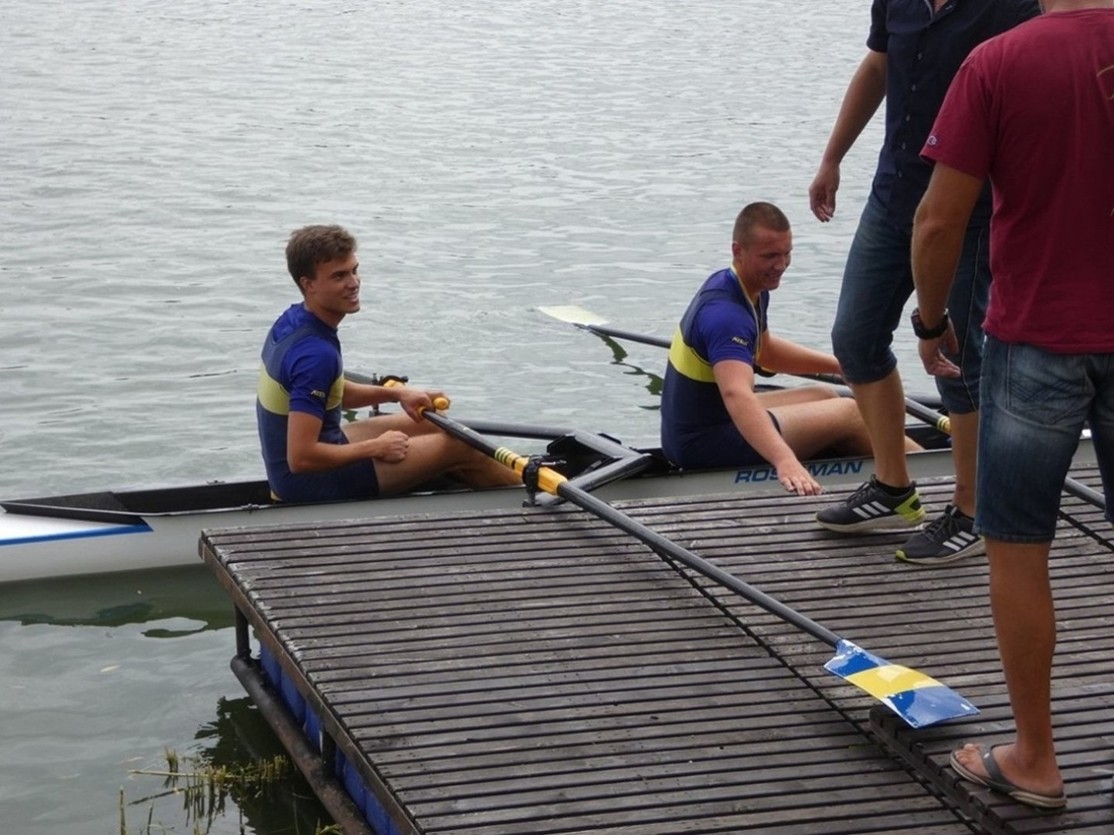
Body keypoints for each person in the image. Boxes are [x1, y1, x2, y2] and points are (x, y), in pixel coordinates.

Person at [911, 0, 1114, 809]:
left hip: (1036, 339)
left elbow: (938, 220)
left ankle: (1035, 758)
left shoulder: (998, 62)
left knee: (1018, 545)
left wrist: (931, 320)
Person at [808, 0, 1040, 564]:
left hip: (968, 210)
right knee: (856, 338)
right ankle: (893, 485)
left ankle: (971, 509)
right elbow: (877, 67)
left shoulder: (1014, 8)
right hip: (893, 195)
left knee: (959, 360)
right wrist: (832, 158)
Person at [257, 224, 521, 503]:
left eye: (354, 270)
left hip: (315, 453)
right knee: (465, 446)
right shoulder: (315, 355)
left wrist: (397, 394)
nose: (353, 283)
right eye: (339, 276)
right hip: (308, 482)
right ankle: (532, 505)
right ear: (308, 284)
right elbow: (302, 458)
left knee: (441, 425)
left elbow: (331, 392)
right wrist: (376, 447)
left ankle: (480, 488)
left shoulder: (293, 321)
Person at [660, 202, 885, 497]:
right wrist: (784, 460)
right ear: (738, 251)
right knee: (849, 412)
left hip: (707, 421)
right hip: (703, 444)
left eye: (786, 253)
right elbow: (737, 394)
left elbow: (765, 352)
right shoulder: (726, 316)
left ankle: (876, 462)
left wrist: (838, 365)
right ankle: (915, 472)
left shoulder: (741, 285)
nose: (780, 265)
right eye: (769, 256)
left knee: (825, 395)